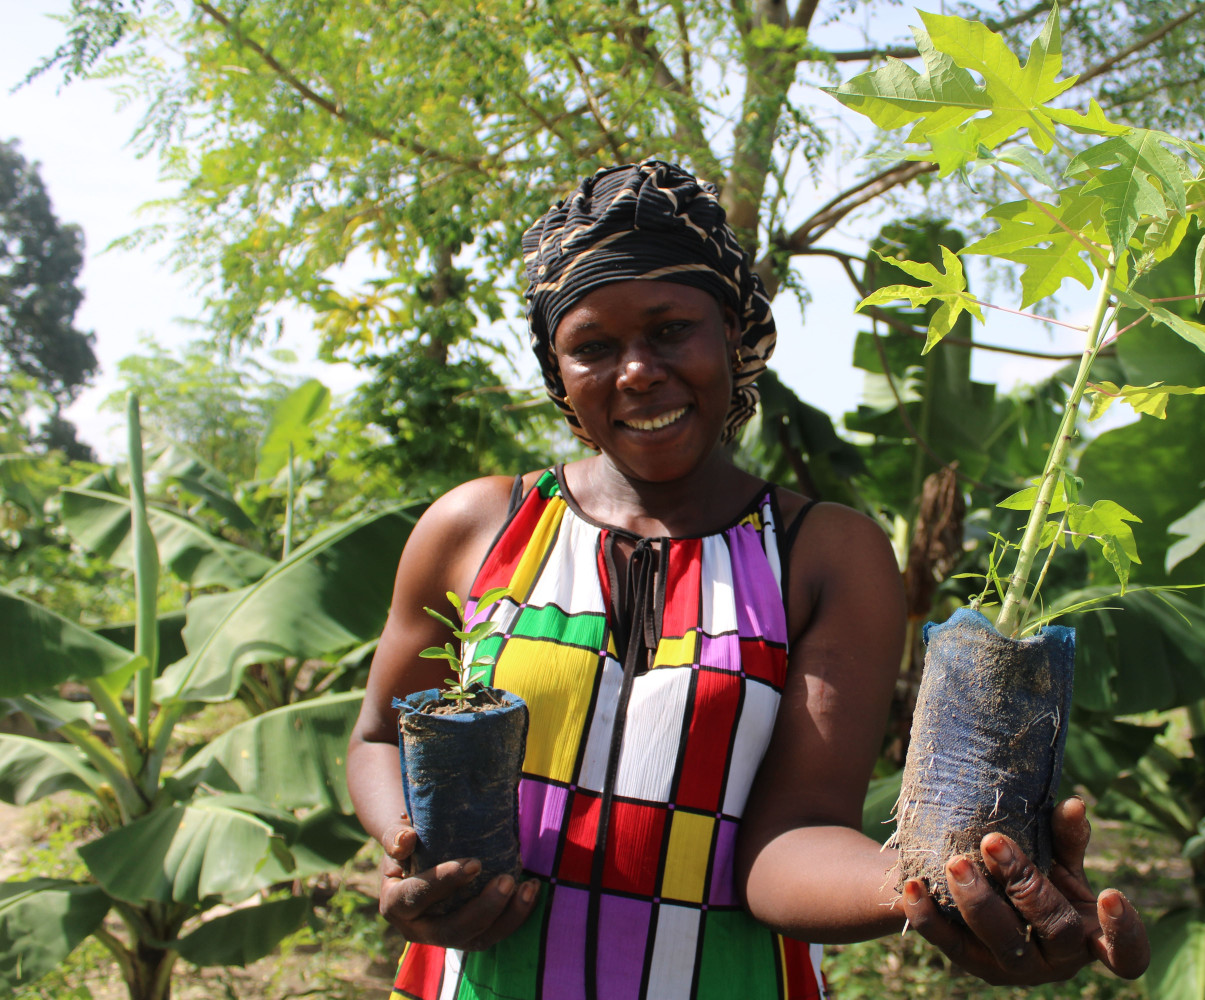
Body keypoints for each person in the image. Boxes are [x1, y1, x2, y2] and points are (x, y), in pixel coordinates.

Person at [346, 161, 1150, 999]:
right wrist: (415, 850)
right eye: (592, 345)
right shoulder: (478, 528)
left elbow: (791, 839)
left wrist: (935, 889)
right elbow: (377, 738)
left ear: (734, 333)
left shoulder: (821, 555)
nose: (636, 372)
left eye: (669, 331)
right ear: (557, 369)